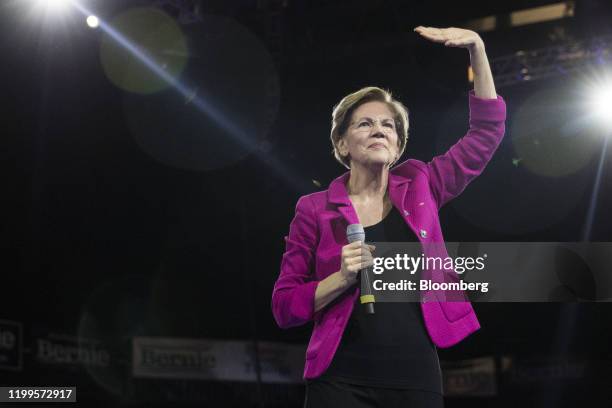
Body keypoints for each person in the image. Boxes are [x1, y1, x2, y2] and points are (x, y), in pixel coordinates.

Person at [271, 26, 506, 407]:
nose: (379, 129)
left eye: (389, 125)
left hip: (415, 375)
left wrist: (477, 49)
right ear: (343, 144)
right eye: (365, 123)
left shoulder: (423, 184)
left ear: (398, 146)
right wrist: (341, 278)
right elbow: (284, 306)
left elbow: (486, 133)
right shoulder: (313, 208)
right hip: (339, 378)